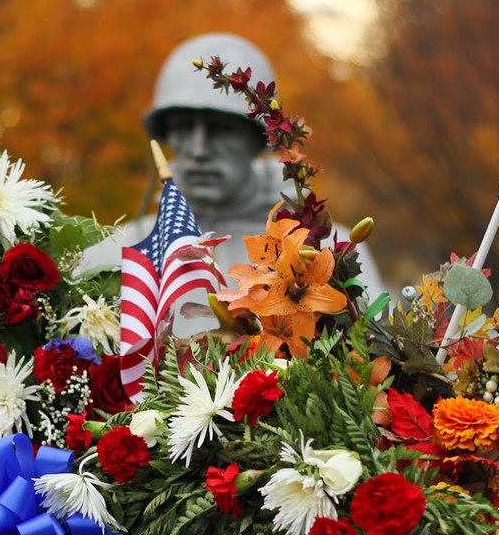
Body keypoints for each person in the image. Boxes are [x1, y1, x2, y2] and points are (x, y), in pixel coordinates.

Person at [82, 33, 386, 334]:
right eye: (185, 127)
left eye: (220, 129)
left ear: (258, 139)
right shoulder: (116, 253)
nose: (199, 150)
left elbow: (377, 364)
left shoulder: (328, 254)